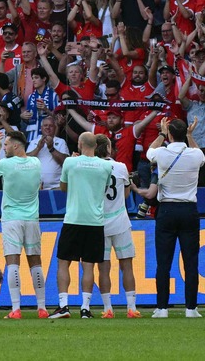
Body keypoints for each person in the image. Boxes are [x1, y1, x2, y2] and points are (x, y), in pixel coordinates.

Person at [49, 132, 114, 319]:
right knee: (89, 265)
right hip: (95, 221)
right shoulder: (106, 166)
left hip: (73, 219)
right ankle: (85, 308)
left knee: (63, 262)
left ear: (80, 144)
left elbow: (63, 187)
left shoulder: (70, 162)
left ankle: (64, 306)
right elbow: (104, 188)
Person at [144, 118, 203, 318]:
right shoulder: (194, 154)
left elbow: (149, 152)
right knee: (191, 261)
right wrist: (190, 135)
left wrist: (161, 134)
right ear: (184, 133)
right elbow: (201, 156)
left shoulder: (161, 152)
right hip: (188, 210)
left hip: (167, 210)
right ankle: (191, 308)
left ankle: (162, 308)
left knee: (164, 261)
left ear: (169, 135)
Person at [0, 130, 49, 318]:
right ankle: (42, 308)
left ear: (16, 146)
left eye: (6, 144)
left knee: (13, 262)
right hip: (32, 218)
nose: (5, 147)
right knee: (35, 262)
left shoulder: (6, 164)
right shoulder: (36, 163)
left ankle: (16, 308)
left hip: (11, 218)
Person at [91, 134, 140, 319]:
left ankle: (108, 308)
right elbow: (127, 194)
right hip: (120, 221)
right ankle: (131, 307)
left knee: (103, 267)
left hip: (99, 223)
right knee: (126, 265)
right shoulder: (121, 167)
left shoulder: (92, 169)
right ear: (109, 149)